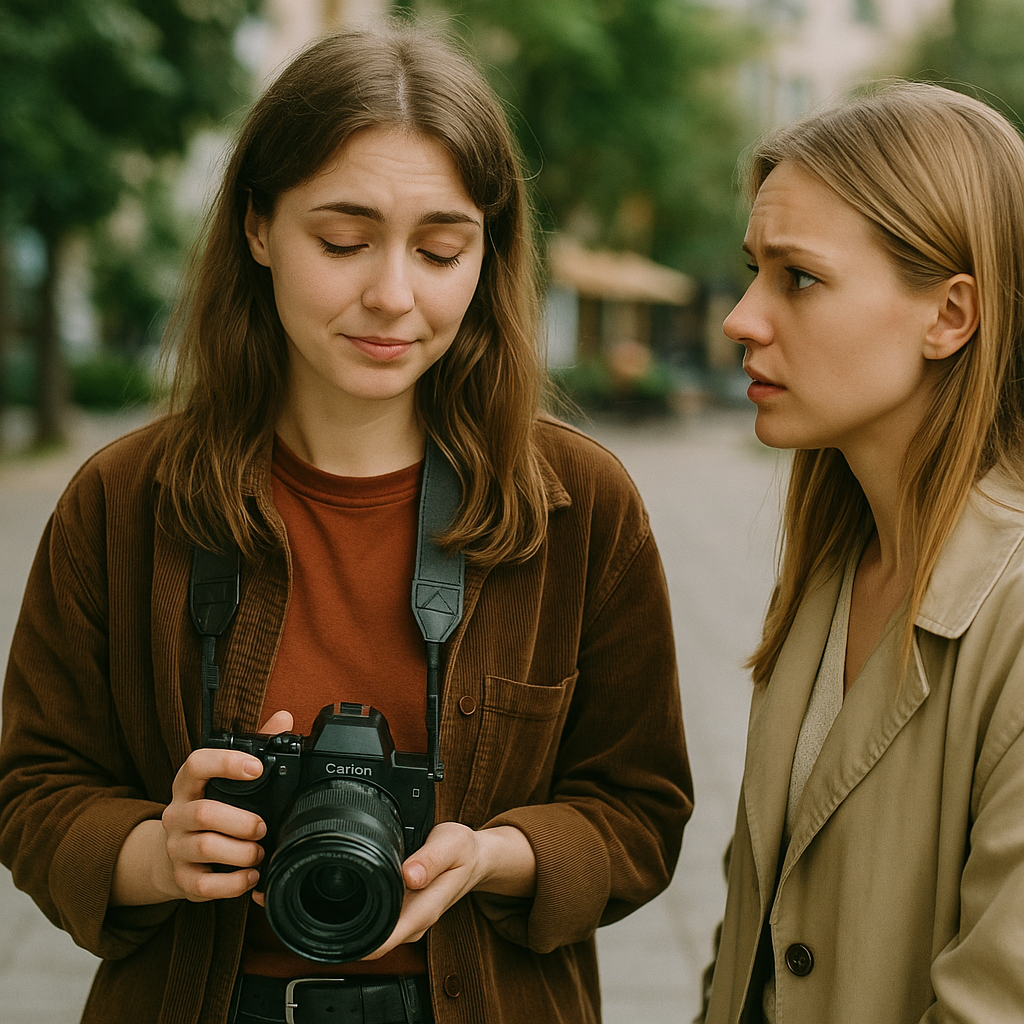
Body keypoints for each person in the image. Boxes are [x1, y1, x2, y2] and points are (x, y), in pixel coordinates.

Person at [0, 23, 692, 1024]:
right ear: (257, 228)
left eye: (442, 248)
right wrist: (155, 850)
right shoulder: (123, 499)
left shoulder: (579, 507)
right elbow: (34, 788)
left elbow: (642, 810)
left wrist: (498, 854)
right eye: (342, 239)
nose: (394, 295)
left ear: (487, 253)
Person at [706, 81, 1024, 1024]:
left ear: (950, 316)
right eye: (754, 270)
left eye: (797, 277)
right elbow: (748, 952)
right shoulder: (832, 569)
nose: (742, 318)